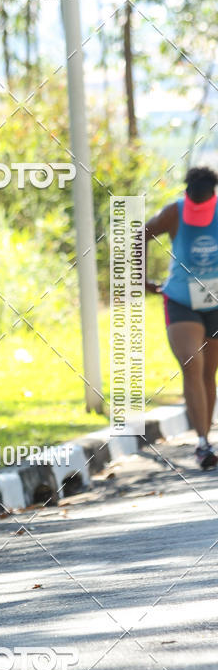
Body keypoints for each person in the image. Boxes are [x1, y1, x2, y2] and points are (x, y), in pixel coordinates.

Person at [145, 166, 218, 469]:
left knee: (208, 373)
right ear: (186, 195)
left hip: (215, 303)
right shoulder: (173, 212)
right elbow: (139, 236)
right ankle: (202, 443)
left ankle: (206, 434)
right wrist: (139, 279)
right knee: (192, 364)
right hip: (181, 299)